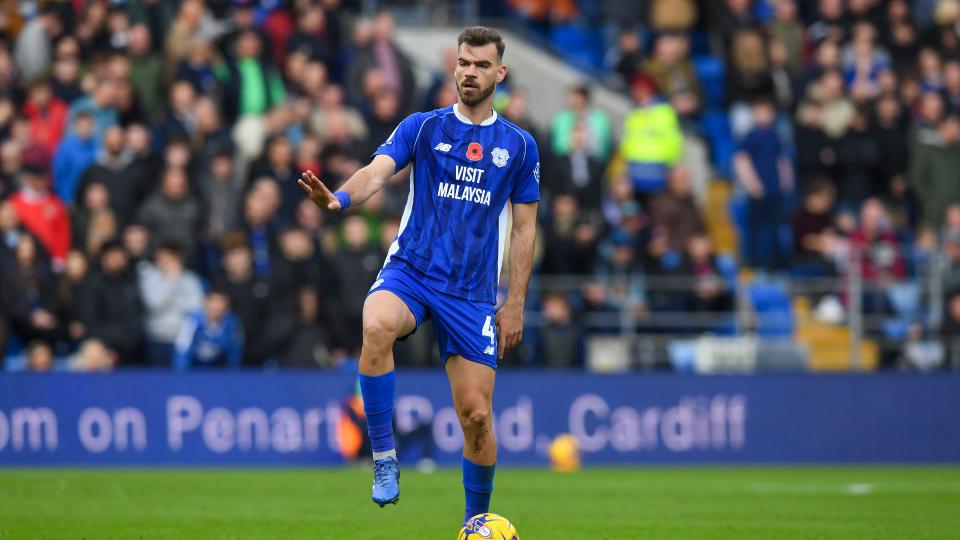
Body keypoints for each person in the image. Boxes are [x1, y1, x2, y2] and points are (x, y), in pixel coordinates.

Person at [298, 27, 539, 523]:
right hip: (413, 270)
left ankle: (475, 523)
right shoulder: (424, 127)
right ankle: (384, 458)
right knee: (376, 324)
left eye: (480, 65)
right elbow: (377, 171)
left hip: (472, 293)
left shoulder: (518, 146)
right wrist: (339, 199)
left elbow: (524, 229)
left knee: (476, 418)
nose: (469, 72)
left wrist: (514, 301)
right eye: (463, 63)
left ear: (500, 73)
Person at [172, 288, 244, 370]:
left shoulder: (231, 322)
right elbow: (183, 348)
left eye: (221, 302)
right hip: (194, 369)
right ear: (205, 302)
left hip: (218, 370)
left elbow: (235, 351)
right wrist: (182, 374)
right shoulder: (193, 321)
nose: (217, 306)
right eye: (214, 301)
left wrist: (232, 374)